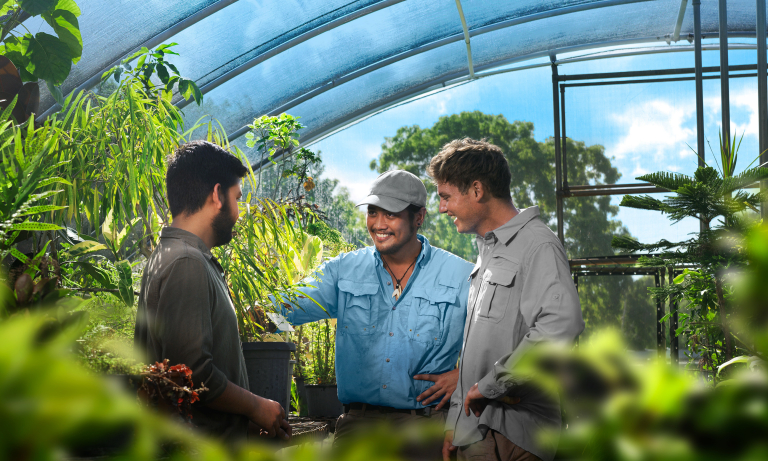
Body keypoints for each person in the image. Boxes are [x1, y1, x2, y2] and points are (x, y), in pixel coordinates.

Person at [277, 170, 474, 458]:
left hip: (425, 429)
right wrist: (257, 318)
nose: (378, 224)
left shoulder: (460, 275)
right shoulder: (343, 270)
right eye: (373, 212)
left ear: (418, 217)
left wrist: (467, 376)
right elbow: (285, 309)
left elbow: (504, 336)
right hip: (358, 427)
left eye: (391, 214)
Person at [428, 138, 584, 461]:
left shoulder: (538, 245)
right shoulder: (488, 250)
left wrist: (493, 385)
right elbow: (474, 349)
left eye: (446, 197)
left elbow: (560, 327)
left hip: (513, 436)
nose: (442, 208)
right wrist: (456, 424)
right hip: (476, 432)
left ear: (476, 190)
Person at [134, 140, 291, 443]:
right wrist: (256, 406)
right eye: (237, 198)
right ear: (217, 195)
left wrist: (239, 425)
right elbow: (192, 373)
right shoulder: (186, 262)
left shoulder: (173, 254)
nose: (239, 211)